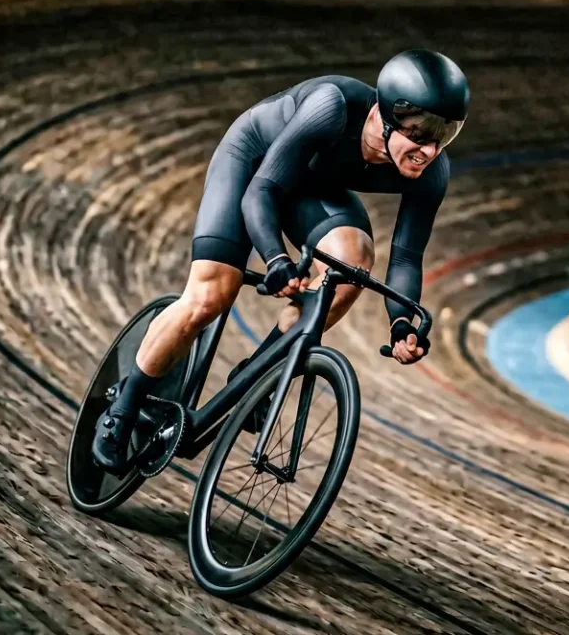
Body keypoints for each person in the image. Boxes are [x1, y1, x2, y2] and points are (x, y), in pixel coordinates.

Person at [92, 49, 469, 472]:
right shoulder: (331, 107)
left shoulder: (433, 171)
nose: (429, 150)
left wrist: (401, 323)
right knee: (210, 296)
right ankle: (123, 407)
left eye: (445, 135)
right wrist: (275, 259)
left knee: (352, 266)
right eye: (420, 133)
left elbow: (406, 256)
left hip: (313, 186)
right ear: (384, 116)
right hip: (253, 165)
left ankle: (258, 372)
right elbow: (262, 192)